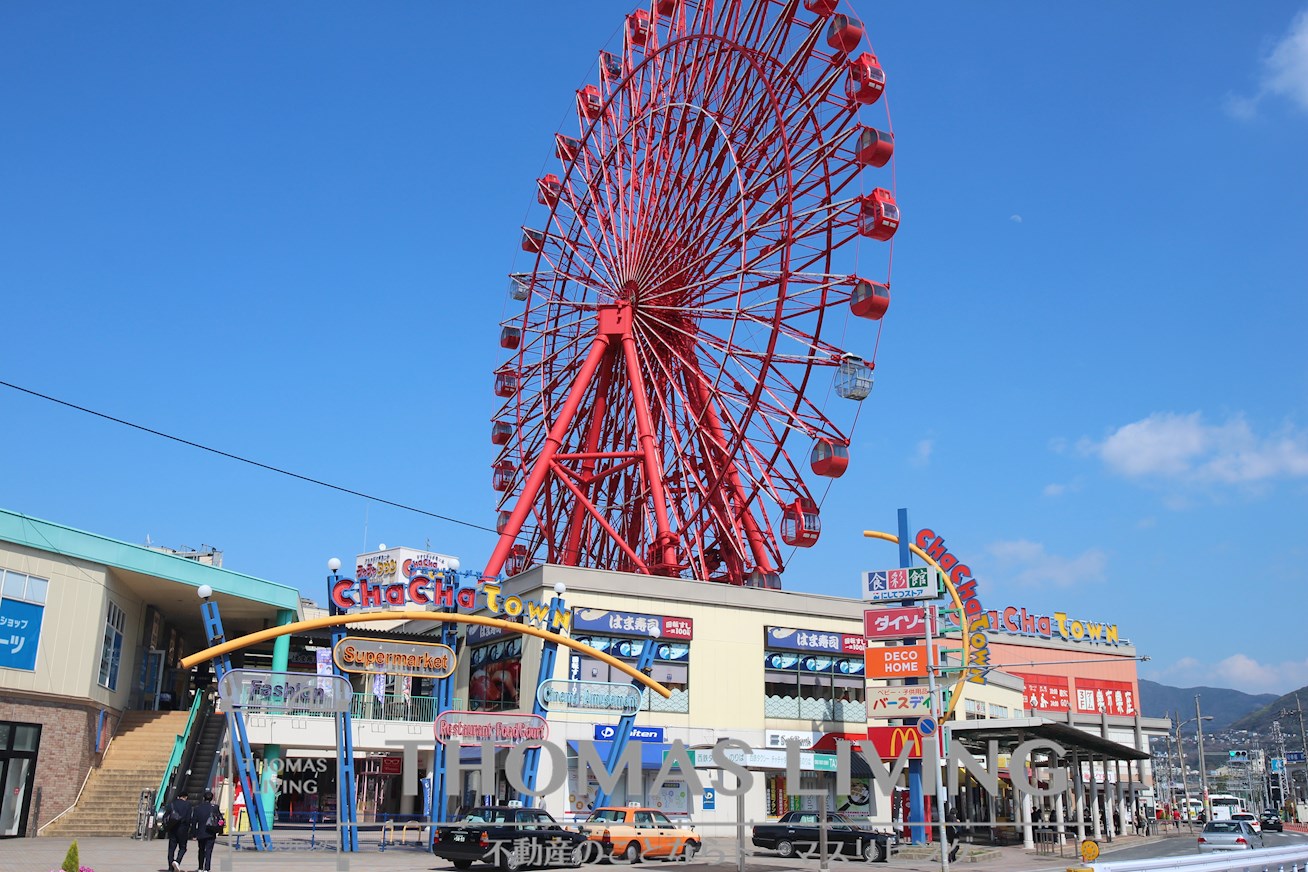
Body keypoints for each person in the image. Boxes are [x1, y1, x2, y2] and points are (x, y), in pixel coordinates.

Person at [162, 788, 193, 872]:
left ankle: (170, 867)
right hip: (183, 829)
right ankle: (177, 861)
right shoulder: (188, 805)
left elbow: (166, 815)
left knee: (171, 848)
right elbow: (188, 819)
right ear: (185, 797)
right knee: (183, 848)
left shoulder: (172, 804)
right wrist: (189, 830)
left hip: (172, 828)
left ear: (178, 797)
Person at [192, 789, 221, 872]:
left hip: (201, 832)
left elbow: (194, 822)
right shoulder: (215, 808)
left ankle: (200, 867)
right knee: (209, 850)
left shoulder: (197, 808)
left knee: (201, 850)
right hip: (211, 832)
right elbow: (219, 819)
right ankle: (207, 868)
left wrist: (194, 834)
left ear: (203, 798)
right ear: (211, 799)